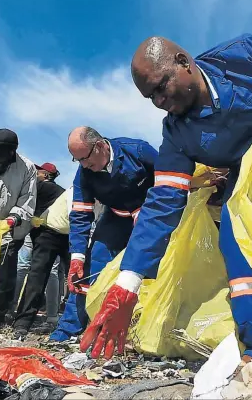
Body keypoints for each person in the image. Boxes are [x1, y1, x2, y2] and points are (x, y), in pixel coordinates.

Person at [80, 34, 252, 362]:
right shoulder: (177, 135)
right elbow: (163, 202)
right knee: (236, 248)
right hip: (247, 183)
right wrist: (129, 282)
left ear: (183, 63)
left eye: (160, 88)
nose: (158, 102)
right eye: (149, 97)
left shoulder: (244, 55)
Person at [49, 126, 157, 342]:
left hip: (150, 218)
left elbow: (169, 181)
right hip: (115, 219)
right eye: (76, 160)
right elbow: (80, 214)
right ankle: (68, 329)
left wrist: (150, 213)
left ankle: (146, 329)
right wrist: (77, 256)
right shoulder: (85, 174)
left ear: (99, 146)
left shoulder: (137, 151)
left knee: (151, 269)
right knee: (88, 269)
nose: (83, 166)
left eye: (85, 159)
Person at [12, 162, 69, 339]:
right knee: (71, 277)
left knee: (36, 276)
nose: (35, 173)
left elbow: (22, 202)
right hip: (69, 235)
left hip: (47, 235)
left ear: (45, 174)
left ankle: (22, 322)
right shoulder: (61, 191)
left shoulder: (39, 186)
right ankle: (60, 318)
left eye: (38, 171)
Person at [0, 128, 37, 329]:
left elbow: (28, 198)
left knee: (3, 278)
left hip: (7, 232)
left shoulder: (26, 168)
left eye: (1, 154)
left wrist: (13, 218)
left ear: (12, 152)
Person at [10, 234, 62, 329]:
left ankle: (11, 311)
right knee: (52, 271)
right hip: (55, 229)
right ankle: (52, 317)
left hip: (34, 224)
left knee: (22, 267)